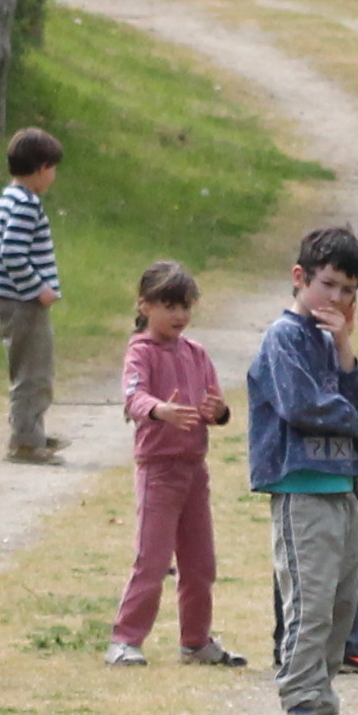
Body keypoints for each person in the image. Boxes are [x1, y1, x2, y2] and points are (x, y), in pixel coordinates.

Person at [246, 223, 358, 715]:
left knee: (339, 604)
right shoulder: (283, 339)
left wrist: (346, 344)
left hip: (338, 488)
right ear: (300, 278)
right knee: (308, 603)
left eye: (349, 291)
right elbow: (303, 406)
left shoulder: (328, 342)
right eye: (329, 285)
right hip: (300, 490)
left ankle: (324, 714)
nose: (338, 299)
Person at [111, 260, 241, 668]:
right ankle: (125, 640)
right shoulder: (140, 351)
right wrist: (159, 410)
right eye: (169, 305)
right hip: (158, 470)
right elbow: (133, 397)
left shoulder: (196, 353)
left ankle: (196, 642)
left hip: (193, 470)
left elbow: (216, 407)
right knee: (152, 559)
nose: (179, 315)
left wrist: (218, 411)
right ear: (145, 306)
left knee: (200, 563)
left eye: (185, 306)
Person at [0, 125, 68, 463]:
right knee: (34, 372)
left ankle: (31, 431)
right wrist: (39, 289)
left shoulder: (10, 197)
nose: (54, 176)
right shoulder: (26, 204)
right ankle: (26, 442)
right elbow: (13, 253)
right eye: (53, 168)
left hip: (9, 298)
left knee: (29, 369)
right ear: (41, 168)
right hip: (23, 301)